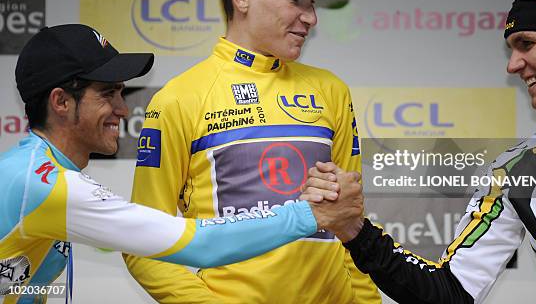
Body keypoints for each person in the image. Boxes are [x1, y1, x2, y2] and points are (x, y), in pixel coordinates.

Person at [302, 0, 536, 303]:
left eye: (527, 43)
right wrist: (354, 230)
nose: (512, 65)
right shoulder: (518, 170)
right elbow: (450, 295)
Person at [0, 24, 362, 304]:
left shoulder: (32, 171)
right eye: (108, 93)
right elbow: (199, 244)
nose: (124, 109)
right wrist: (310, 215)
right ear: (61, 101)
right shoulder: (44, 184)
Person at [123, 0, 381, 303]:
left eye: (312, 1)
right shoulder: (179, 98)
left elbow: (349, 223)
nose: (311, 17)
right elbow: (142, 243)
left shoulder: (330, 90)